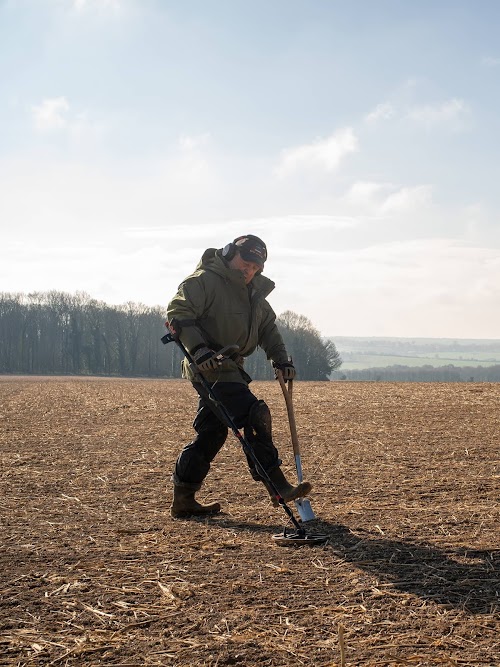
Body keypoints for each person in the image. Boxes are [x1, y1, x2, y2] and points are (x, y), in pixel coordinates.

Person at [166, 234, 312, 518]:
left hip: (232, 366)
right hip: (208, 367)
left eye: (256, 268)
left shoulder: (253, 292)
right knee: (252, 414)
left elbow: (269, 329)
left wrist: (281, 360)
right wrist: (199, 350)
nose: (249, 271)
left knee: (212, 432)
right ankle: (277, 484)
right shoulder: (202, 281)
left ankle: (183, 499)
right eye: (246, 263)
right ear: (231, 253)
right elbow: (178, 313)